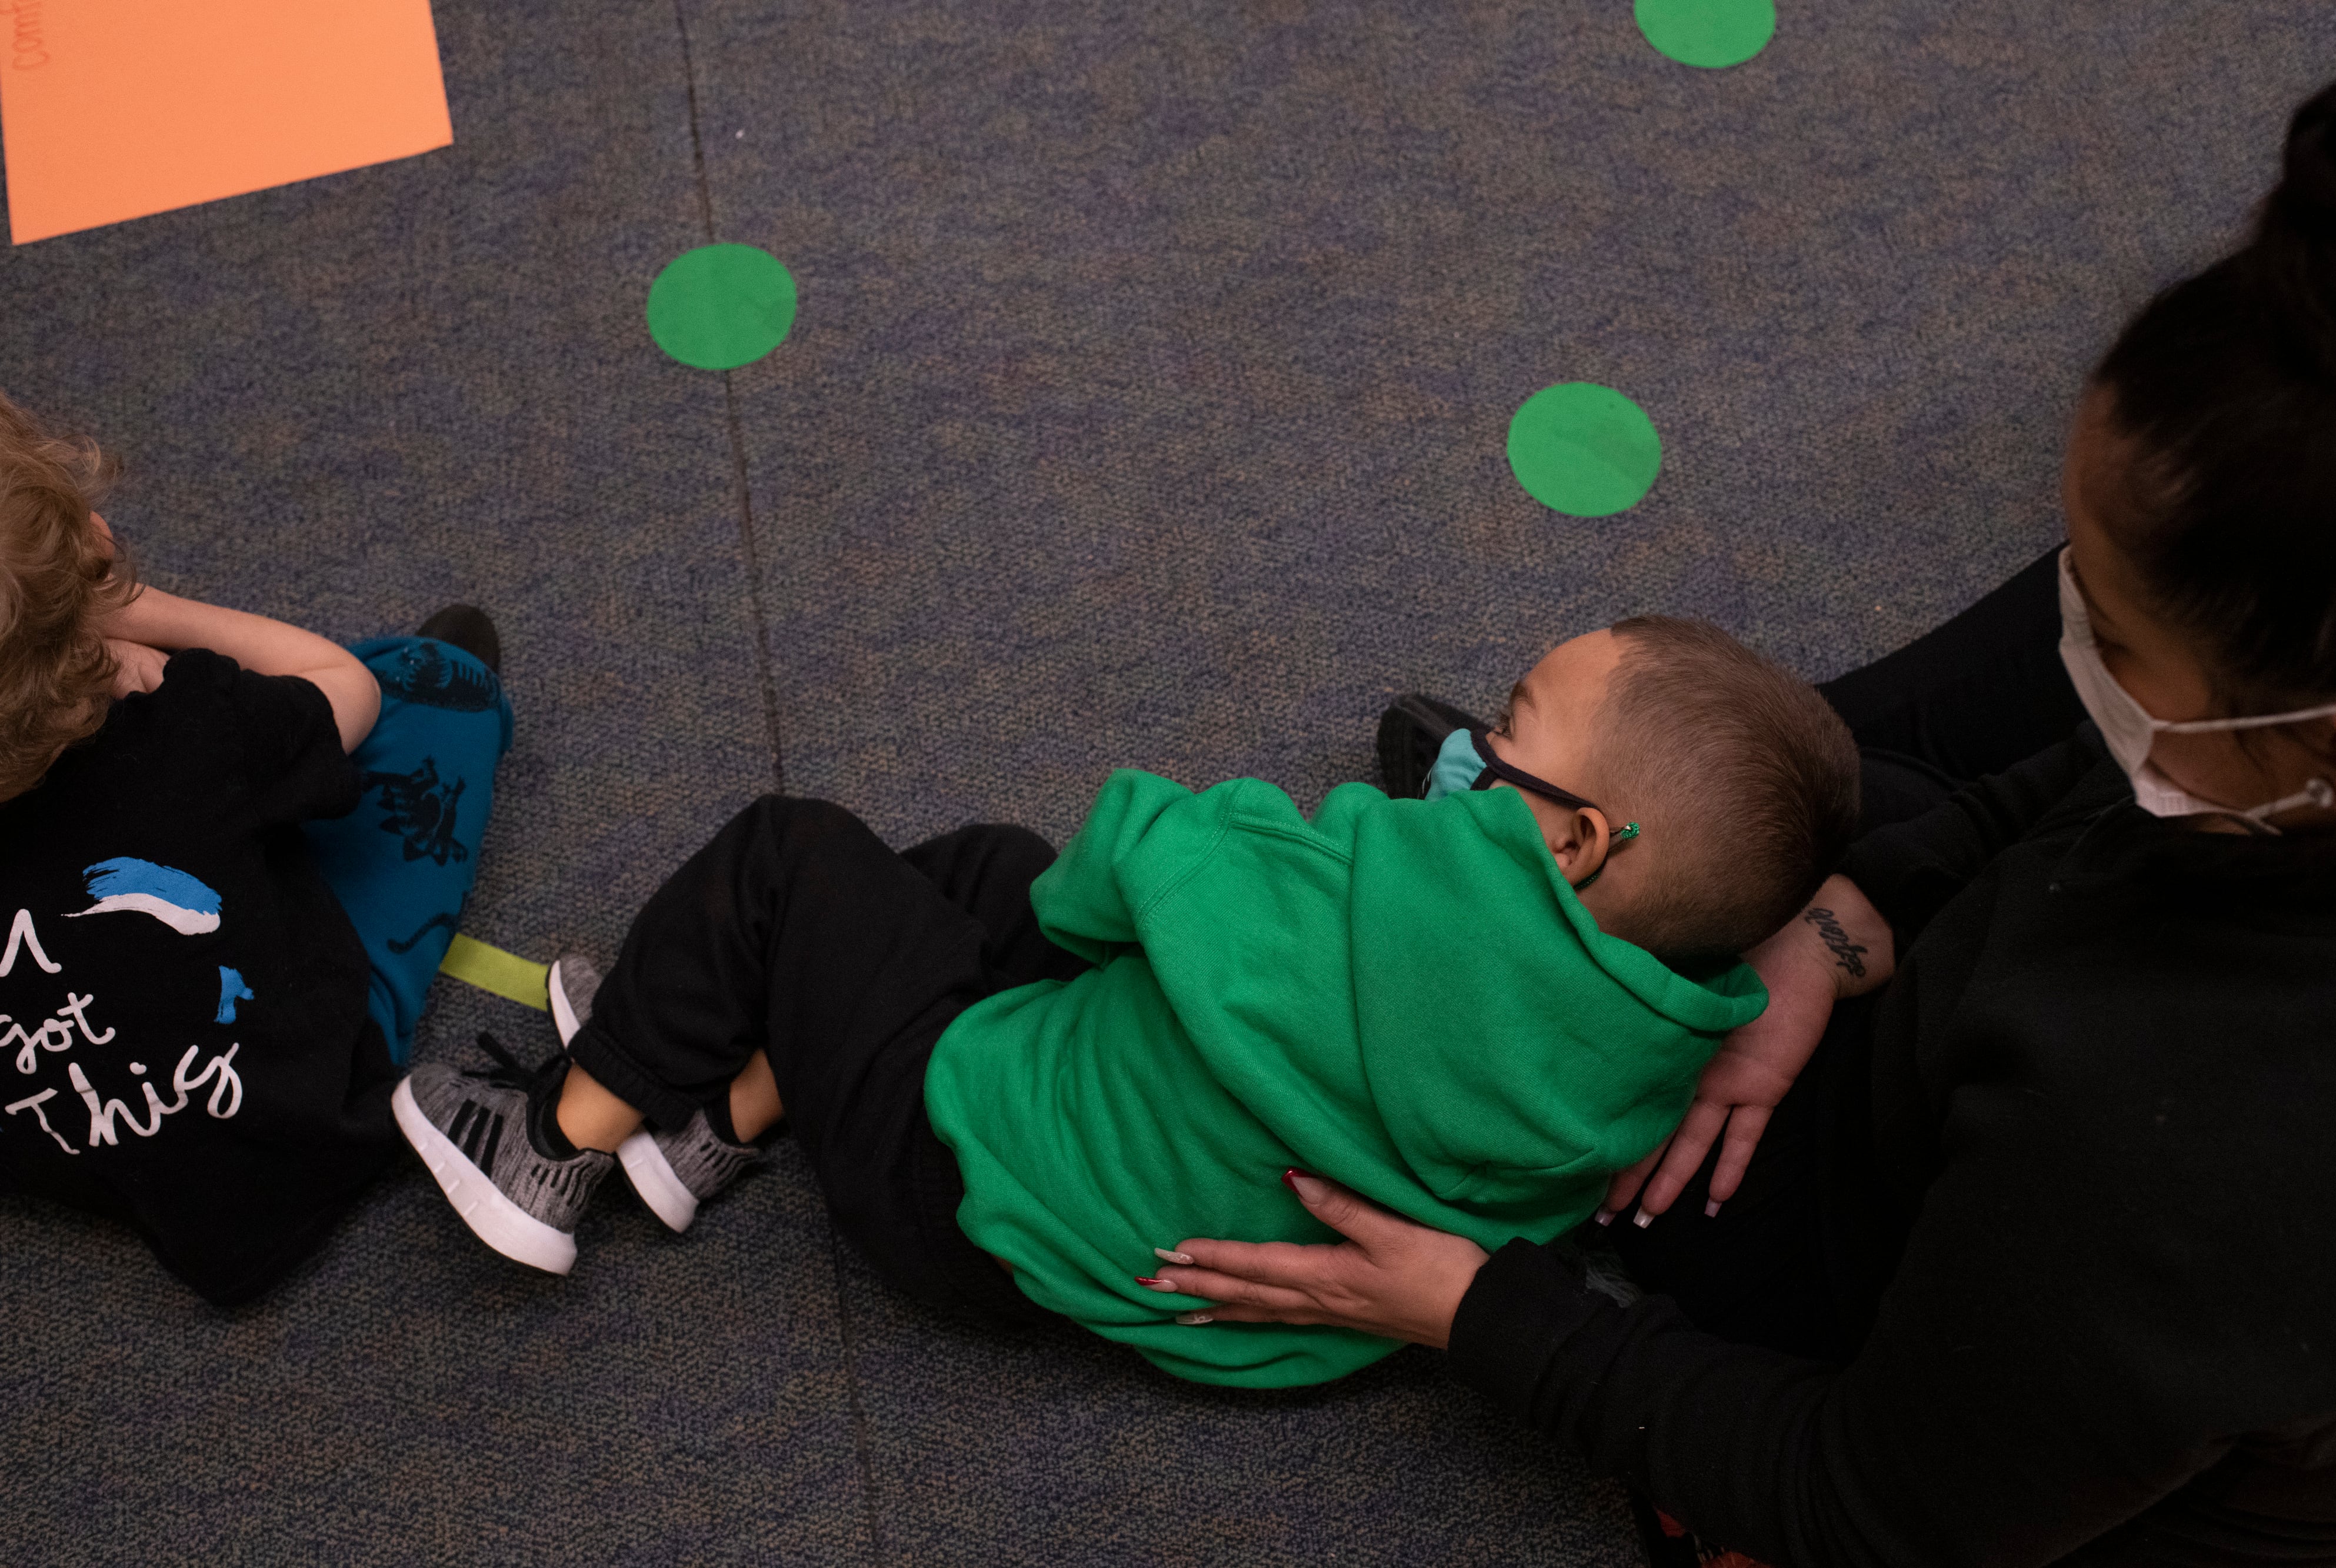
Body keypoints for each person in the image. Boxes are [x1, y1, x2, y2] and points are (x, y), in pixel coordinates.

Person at [1147, 74, 2336, 1566]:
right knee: (1797, 825)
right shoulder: (2244, 773)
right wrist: (1845, 920)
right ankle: (1614, 856)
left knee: (1599, 1131)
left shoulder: (2190, 1182)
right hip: (2006, 1044)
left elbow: (1870, 1500)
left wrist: (1476, 1311)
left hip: (1999, 1418)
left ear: (2320, 750)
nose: (2060, 655)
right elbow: (2070, 779)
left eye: (2103, 630)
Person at [394, 616, 1858, 1386]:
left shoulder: (1368, 886)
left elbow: (1113, 870)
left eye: (1511, 728)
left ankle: (555, 1139)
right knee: (980, 871)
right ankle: (713, 1117)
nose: (1470, 742)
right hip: (1143, 1263)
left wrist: (1226, 863)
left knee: (793, 854)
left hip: (968, 1173)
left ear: (1569, 838)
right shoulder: (1655, 1047)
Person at [0, 390, 513, 1306]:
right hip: (309, 1104)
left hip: (88, 1154)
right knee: (431, 687)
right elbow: (341, 683)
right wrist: (129, 609)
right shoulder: (190, 724)